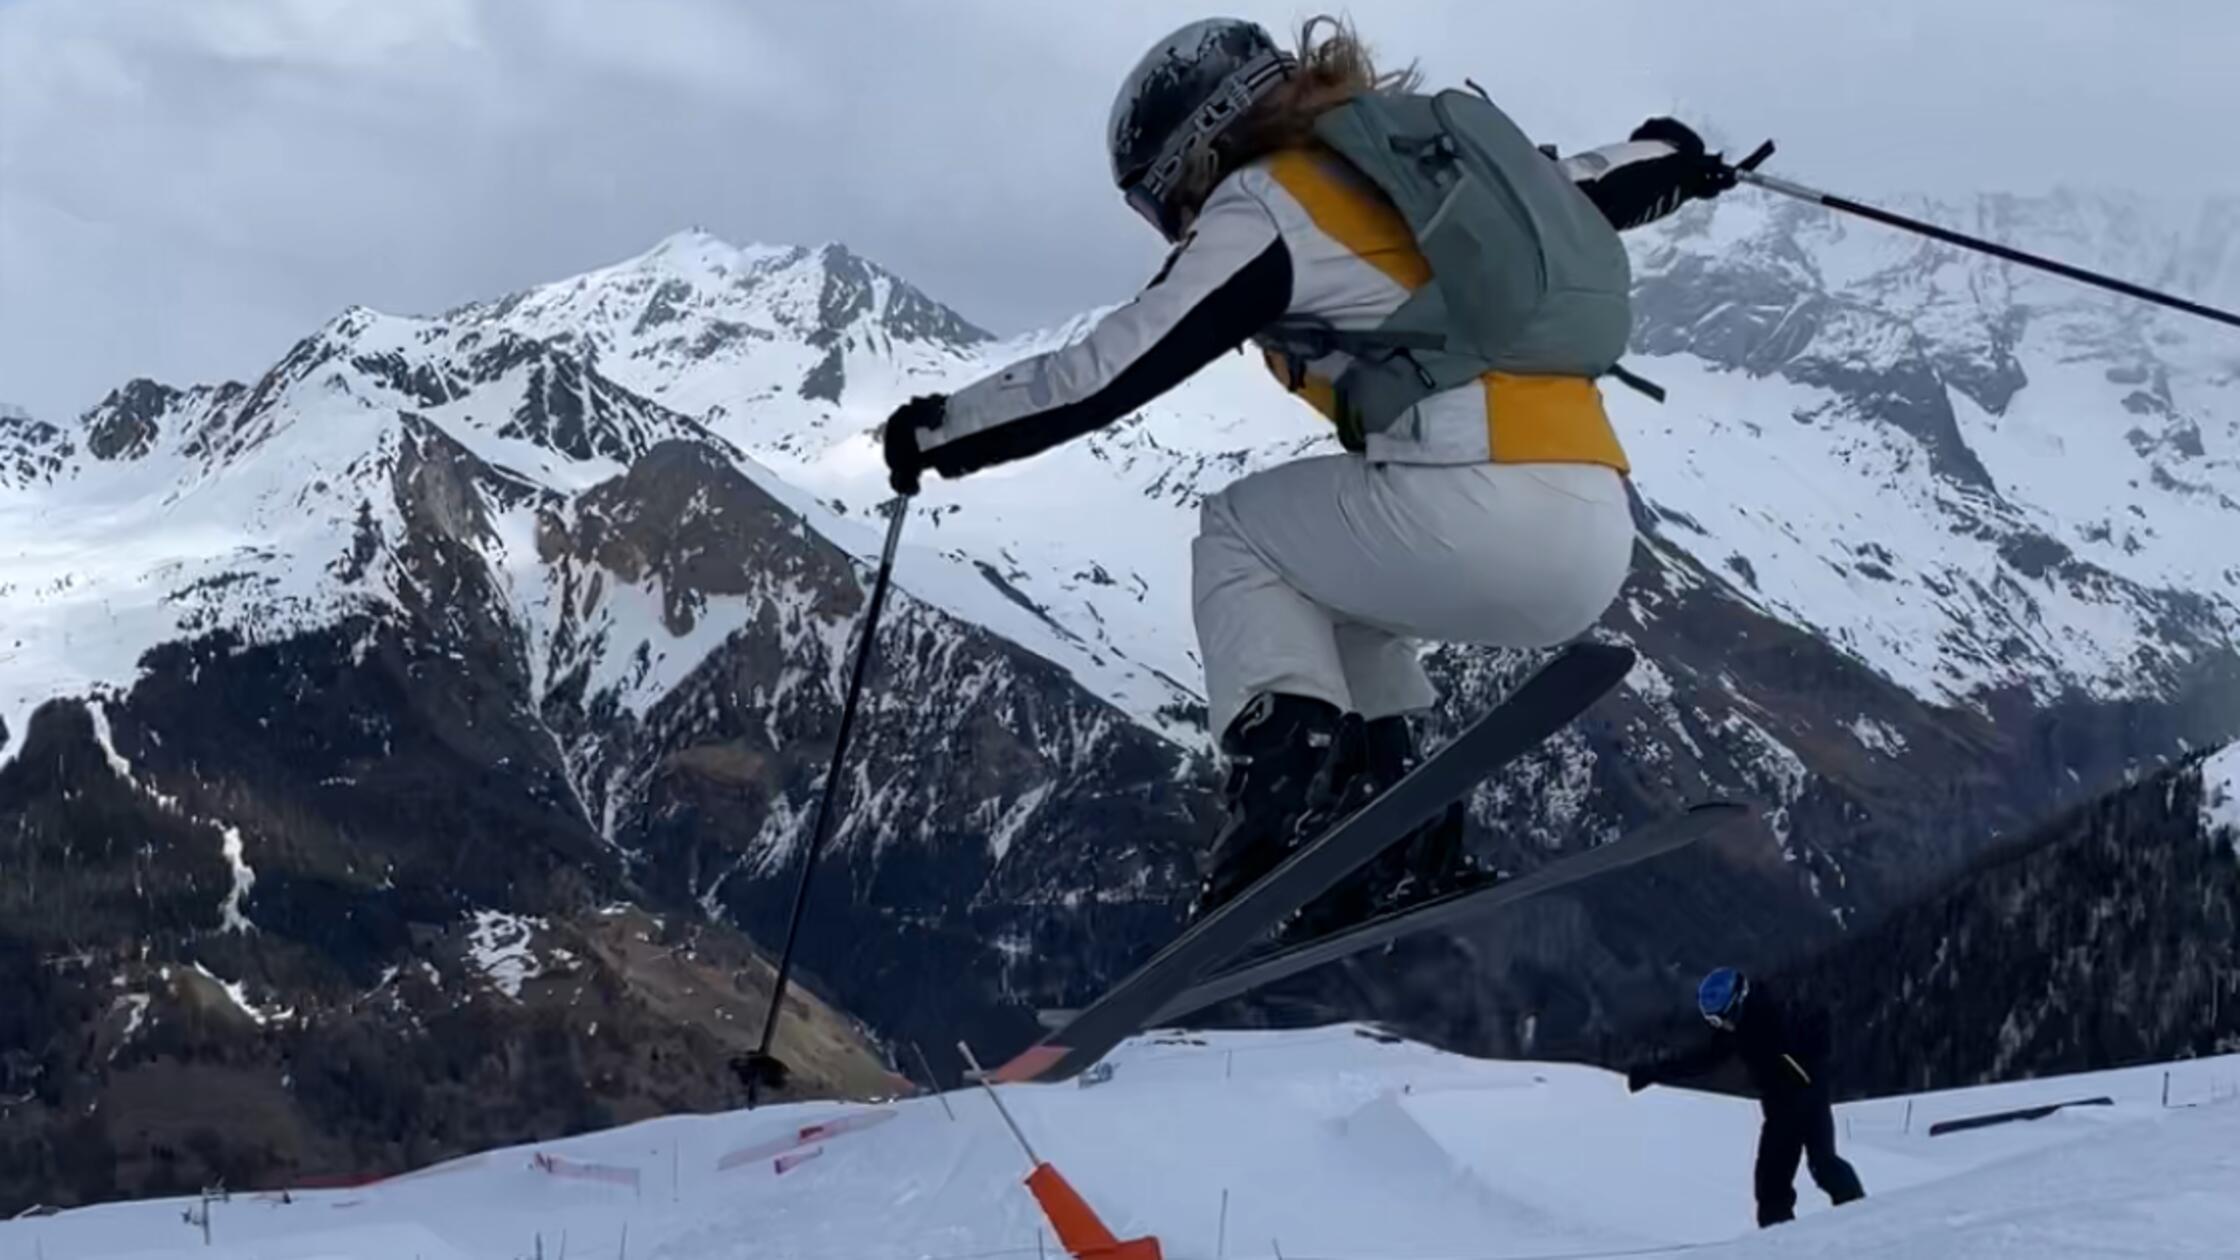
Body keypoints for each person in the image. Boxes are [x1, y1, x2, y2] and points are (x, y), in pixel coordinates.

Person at [881, 16, 1737, 925]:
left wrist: (941, 434)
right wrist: (1676, 154)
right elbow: (1586, 182)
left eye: (1154, 199)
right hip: (1596, 523)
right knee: (1336, 591)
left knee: (1239, 532)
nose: (1166, 221)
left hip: (1477, 502)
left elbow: (1101, 375)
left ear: (1190, 150)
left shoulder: (1263, 205)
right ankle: (1411, 833)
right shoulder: (1425, 170)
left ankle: (1273, 825)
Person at [1628, 968, 1868, 1227]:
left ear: (1737, 1003)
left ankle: (1853, 1223)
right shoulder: (1740, 1025)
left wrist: (1806, 1075)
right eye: (1715, 1021)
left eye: (1722, 1019)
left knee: (1810, 1170)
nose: (1722, 1026)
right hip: (1788, 1101)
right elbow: (1705, 1058)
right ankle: (1796, 1238)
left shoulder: (1775, 1014)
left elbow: (1817, 1025)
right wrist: (1655, 1071)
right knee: (1789, 1177)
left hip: (1803, 1097)